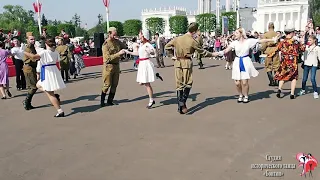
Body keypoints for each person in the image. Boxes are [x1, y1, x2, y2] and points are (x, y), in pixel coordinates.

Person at [215, 27, 278, 103]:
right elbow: (226, 50)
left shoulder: (249, 41)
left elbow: (260, 40)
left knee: (244, 82)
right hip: (237, 61)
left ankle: (246, 95)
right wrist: (218, 53)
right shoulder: (234, 43)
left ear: (241, 34)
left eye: (236, 33)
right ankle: (240, 94)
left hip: (245, 61)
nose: (235, 34)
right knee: (237, 83)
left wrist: (272, 40)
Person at [165, 22, 215, 114]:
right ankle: (182, 102)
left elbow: (167, 46)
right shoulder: (192, 41)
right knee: (188, 82)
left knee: (179, 84)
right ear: (194, 31)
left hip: (177, 62)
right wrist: (213, 54)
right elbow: (202, 52)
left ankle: (180, 107)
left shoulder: (177, 38)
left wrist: (172, 55)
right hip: (187, 62)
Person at [24, 37, 66, 117]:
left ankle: (60, 110)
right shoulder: (55, 51)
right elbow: (58, 60)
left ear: (46, 44)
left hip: (47, 70)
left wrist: (24, 52)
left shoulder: (44, 52)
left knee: (49, 93)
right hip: (52, 69)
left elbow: (33, 57)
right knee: (38, 85)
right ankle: (54, 97)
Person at [125, 30, 161, 108]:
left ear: (143, 35)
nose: (139, 35)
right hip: (142, 64)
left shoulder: (147, 44)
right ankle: (155, 75)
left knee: (146, 84)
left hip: (145, 64)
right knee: (142, 83)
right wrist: (128, 52)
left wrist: (150, 51)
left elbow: (153, 52)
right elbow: (138, 53)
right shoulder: (141, 44)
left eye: (140, 34)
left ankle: (151, 100)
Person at [268, 25, 305, 99]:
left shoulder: (282, 42)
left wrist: (269, 55)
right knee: (294, 78)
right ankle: (292, 94)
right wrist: (302, 42)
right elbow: (302, 49)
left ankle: (279, 90)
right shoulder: (295, 42)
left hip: (284, 61)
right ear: (291, 33)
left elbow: (275, 50)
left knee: (282, 76)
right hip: (293, 62)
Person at [100, 27, 127, 107]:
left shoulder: (117, 42)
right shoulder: (106, 44)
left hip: (116, 65)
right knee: (107, 85)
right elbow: (107, 58)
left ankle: (110, 101)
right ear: (109, 34)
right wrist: (118, 54)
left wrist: (120, 41)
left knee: (115, 84)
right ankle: (102, 102)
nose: (115, 36)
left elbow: (124, 47)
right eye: (114, 34)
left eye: (116, 34)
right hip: (108, 66)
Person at [298, 35, 320, 99]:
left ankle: (315, 92)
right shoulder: (306, 47)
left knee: (312, 78)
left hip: (314, 64)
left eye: (310, 40)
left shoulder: (317, 48)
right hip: (306, 64)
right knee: (304, 79)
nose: (309, 41)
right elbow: (303, 55)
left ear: (314, 40)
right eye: (308, 40)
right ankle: (303, 89)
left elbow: (319, 56)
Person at [22, 32, 39, 110]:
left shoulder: (32, 47)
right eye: (31, 39)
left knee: (32, 87)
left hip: (32, 68)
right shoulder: (28, 48)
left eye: (34, 39)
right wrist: (36, 58)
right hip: (28, 68)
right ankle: (26, 101)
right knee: (33, 87)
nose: (33, 40)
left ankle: (28, 103)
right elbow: (29, 59)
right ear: (27, 40)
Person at [261, 22, 280, 86]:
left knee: (268, 66)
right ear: (273, 27)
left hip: (268, 51)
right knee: (276, 66)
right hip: (275, 50)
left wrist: (262, 50)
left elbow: (264, 44)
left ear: (268, 27)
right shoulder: (276, 34)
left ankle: (271, 81)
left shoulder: (266, 34)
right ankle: (276, 80)